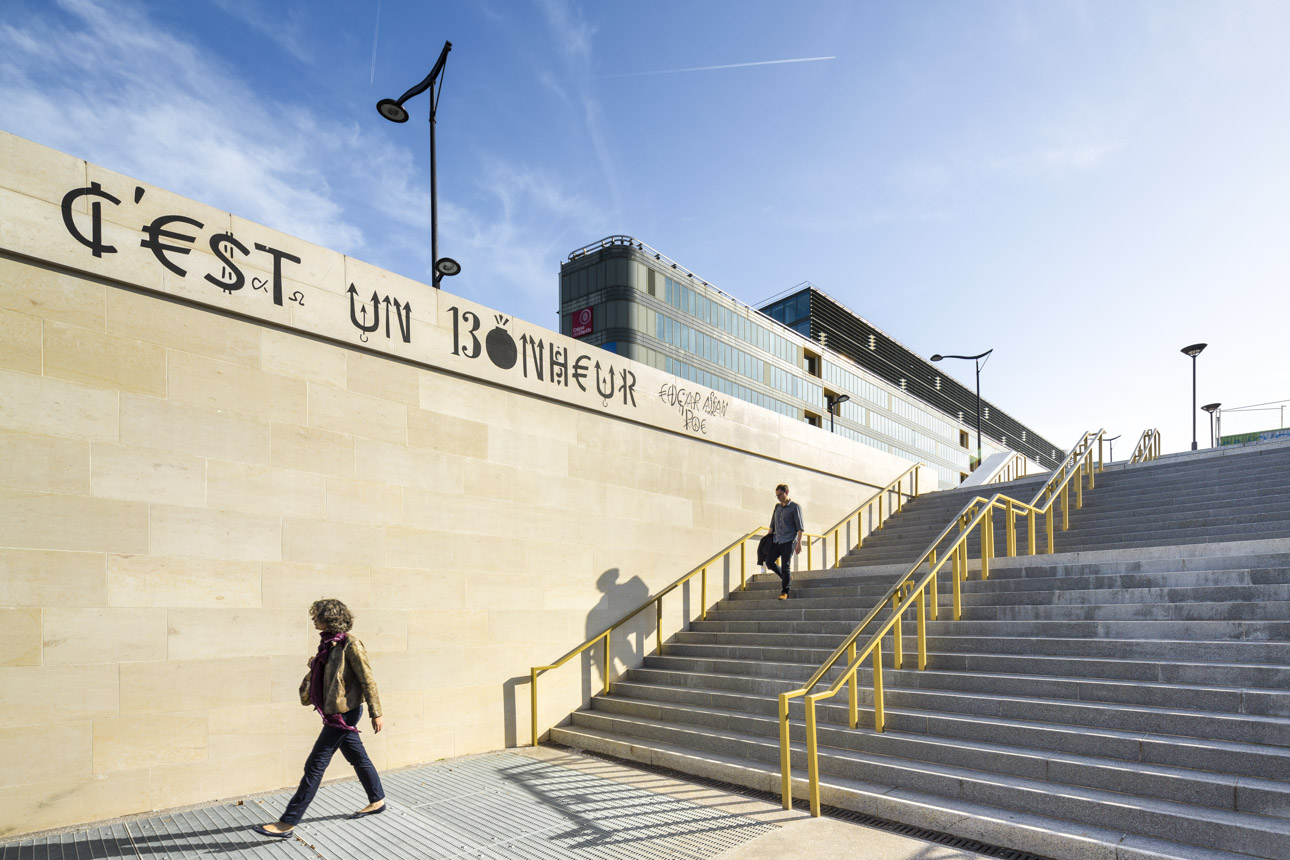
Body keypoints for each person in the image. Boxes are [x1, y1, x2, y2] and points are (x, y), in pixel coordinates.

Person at [253, 599, 386, 838]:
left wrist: (376, 712)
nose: (314, 619)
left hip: (344, 713)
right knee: (358, 757)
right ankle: (377, 800)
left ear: (331, 617)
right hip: (334, 709)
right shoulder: (328, 644)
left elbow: (368, 680)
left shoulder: (351, 644)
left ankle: (287, 823)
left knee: (315, 764)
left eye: (318, 616)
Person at [766, 484, 804, 599]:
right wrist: (768, 539)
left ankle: (785, 592)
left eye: (780, 495)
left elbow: (800, 527)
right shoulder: (777, 507)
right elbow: (772, 524)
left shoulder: (795, 507)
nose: (778, 497)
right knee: (769, 562)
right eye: (776, 495)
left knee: (785, 565)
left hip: (789, 541)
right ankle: (785, 576)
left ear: (787, 493)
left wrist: (799, 543)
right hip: (777, 541)